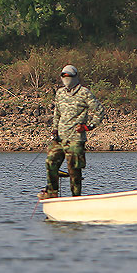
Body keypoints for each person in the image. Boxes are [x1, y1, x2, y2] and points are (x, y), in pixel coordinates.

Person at [42, 65, 104, 199]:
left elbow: (99, 110)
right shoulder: (60, 93)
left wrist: (89, 127)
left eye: (69, 76)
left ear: (75, 77)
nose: (66, 79)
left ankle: (76, 198)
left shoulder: (84, 93)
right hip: (60, 137)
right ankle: (52, 194)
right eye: (64, 76)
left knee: (74, 170)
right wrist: (54, 130)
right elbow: (57, 113)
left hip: (76, 139)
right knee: (50, 162)